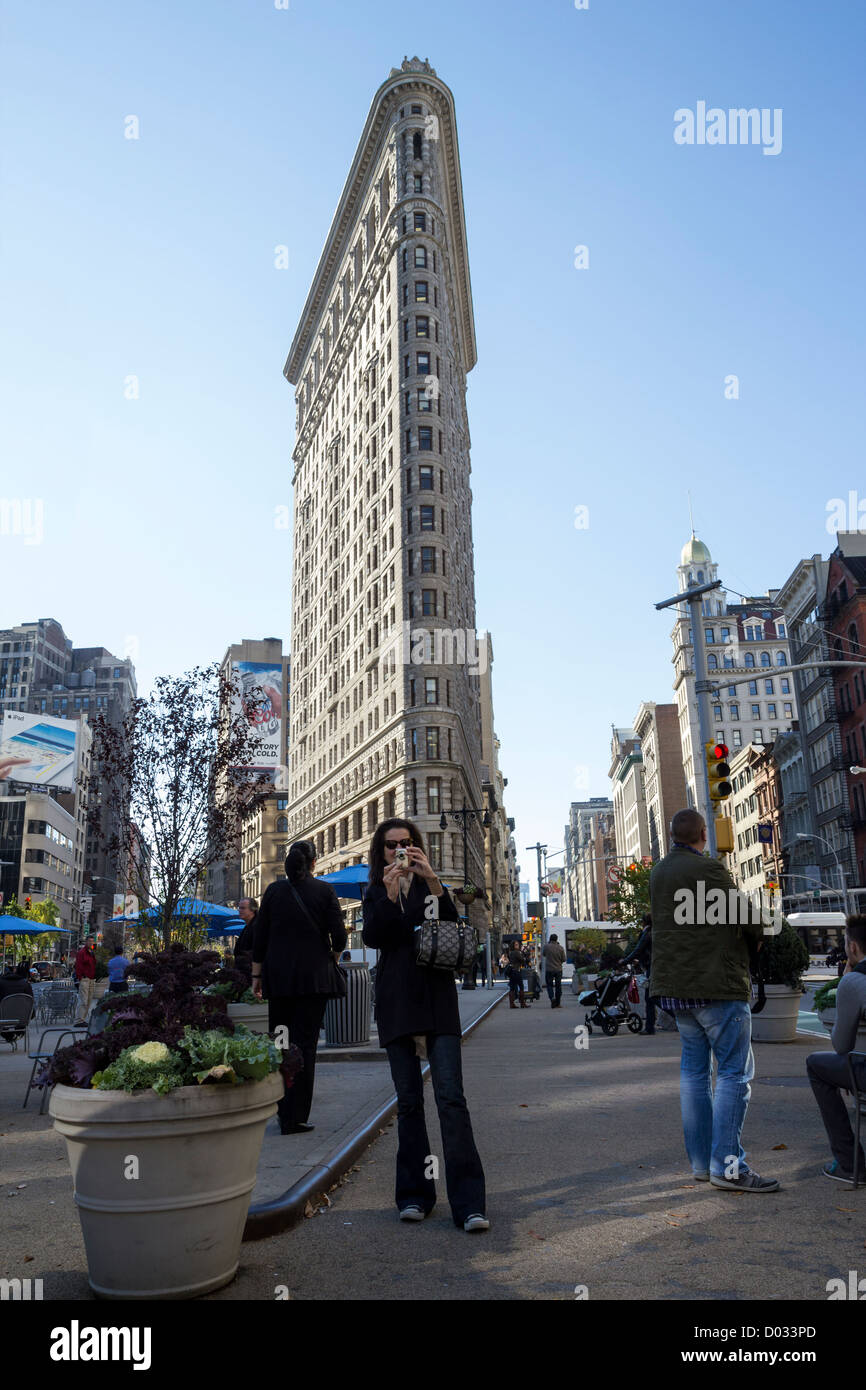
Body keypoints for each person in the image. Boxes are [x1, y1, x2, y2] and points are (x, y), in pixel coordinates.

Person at [362, 818, 489, 1232]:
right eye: (391, 845)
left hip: (437, 1001)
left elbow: (453, 924)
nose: (400, 850)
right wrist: (389, 892)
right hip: (397, 1003)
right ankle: (415, 1194)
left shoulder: (432, 888)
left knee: (451, 1100)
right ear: (380, 853)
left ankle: (469, 1204)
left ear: (418, 847)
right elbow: (378, 938)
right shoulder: (375, 891)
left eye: (407, 843)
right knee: (410, 1104)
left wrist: (431, 878)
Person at [650, 808, 779, 1193]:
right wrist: (761, 933)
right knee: (733, 1074)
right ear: (703, 834)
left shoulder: (659, 872)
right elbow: (746, 914)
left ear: (673, 835)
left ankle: (702, 1164)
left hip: (675, 989)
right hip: (716, 986)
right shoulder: (709, 869)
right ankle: (729, 1166)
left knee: (693, 1075)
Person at [252, 841, 347, 1135]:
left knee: (280, 1042)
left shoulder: (273, 892)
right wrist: (329, 955)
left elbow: (260, 937)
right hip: (313, 982)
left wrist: (256, 976)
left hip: (278, 981)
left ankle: (281, 1111)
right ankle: (296, 1117)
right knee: (305, 1046)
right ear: (314, 863)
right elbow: (340, 938)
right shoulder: (324, 891)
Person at [806, 915, 866, 1184]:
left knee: (816, 1065)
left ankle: (850, 1164)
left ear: (853, 947)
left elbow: (842, 1046)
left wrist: (846, 982)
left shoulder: (854, 982)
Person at [73, 936, 97, 1026]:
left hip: (91, 979)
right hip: (84, 979)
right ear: (86, 942)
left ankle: (83, 1019)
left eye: (92, 941)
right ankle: (79, 1021)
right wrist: (80, 978)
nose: (91, 943)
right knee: (83, 1000)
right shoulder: (81, 953)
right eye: (89, 941)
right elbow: (78, 966)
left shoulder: (91, 952)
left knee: (89, 1000)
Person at [542, 933, 566, 1008]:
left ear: (550, 939)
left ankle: (552, 998)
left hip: (549, 969)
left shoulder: (546, 947)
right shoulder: (560, 948)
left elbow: (544, 954)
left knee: (549, 985)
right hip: (558, 969)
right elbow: (564, 959)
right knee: (558, 986)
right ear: (556, 939)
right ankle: (558, 1003)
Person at [506, 944, 529, 1009]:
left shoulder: (510, 953)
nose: (517, 946)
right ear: (513, 946)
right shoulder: (516, 952)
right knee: (521, 986)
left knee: (512, 987)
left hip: (512, 971)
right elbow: (522, 960)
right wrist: (523, 956)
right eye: (516, 945)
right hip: (516, 971)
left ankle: (511, 1004)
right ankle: (522, 1003)